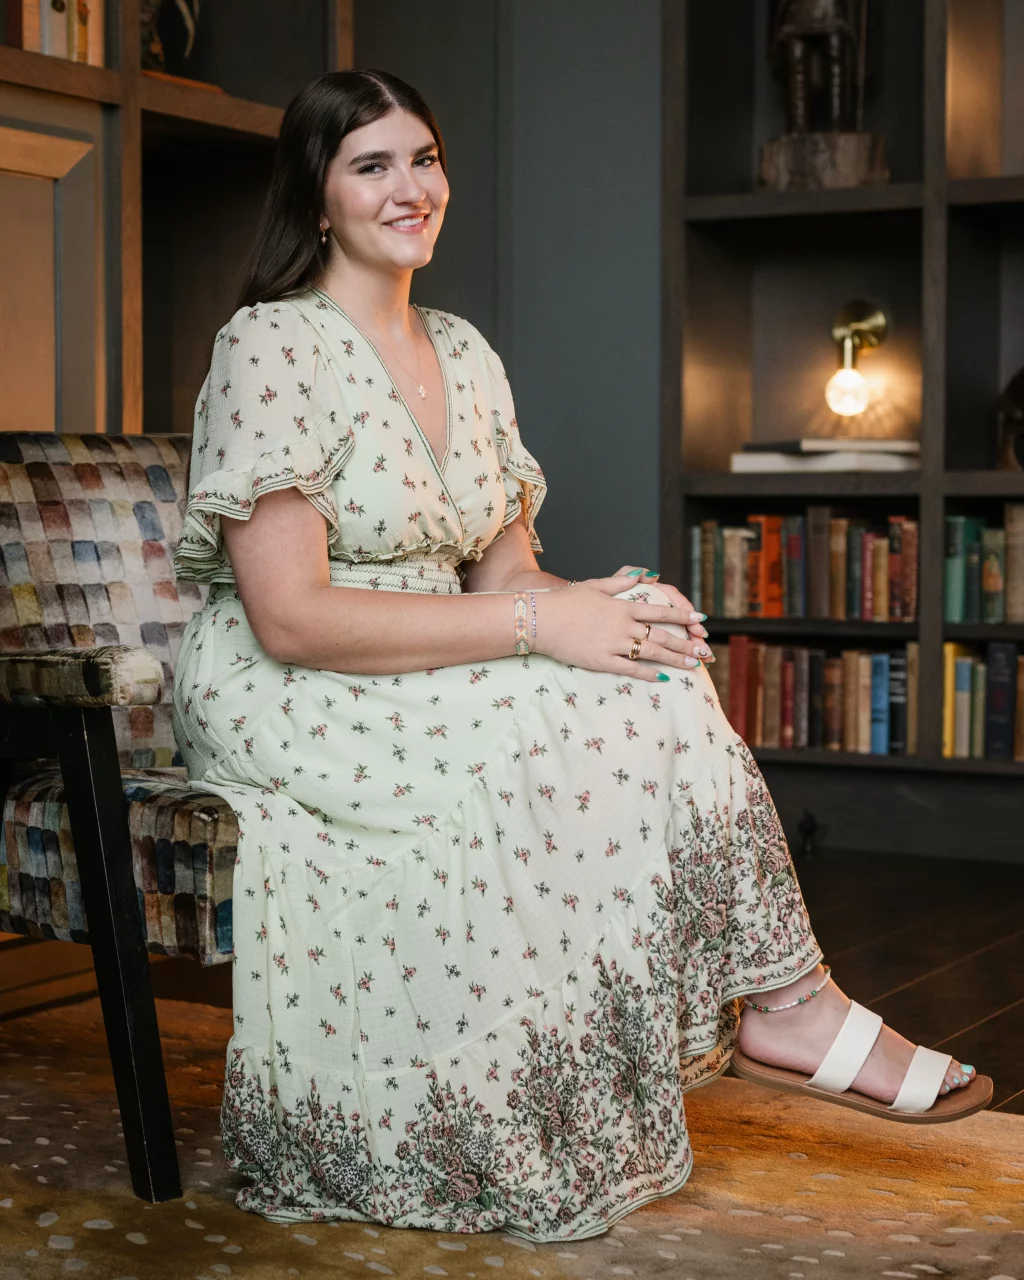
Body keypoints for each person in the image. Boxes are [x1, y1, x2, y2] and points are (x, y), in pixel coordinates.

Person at [171, 68, 989, 1243]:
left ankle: (781, 1003)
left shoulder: (462, 349)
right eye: (372, 165)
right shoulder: (269, 347)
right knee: (557, 712)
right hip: (289, 682)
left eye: (425, 157)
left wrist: (604, 607)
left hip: (434, 645)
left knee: (652, 673)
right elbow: (293, 616)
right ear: (316, 196)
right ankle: (745, 1021)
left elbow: (509, 575)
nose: (412, 188)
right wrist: (539, 627)